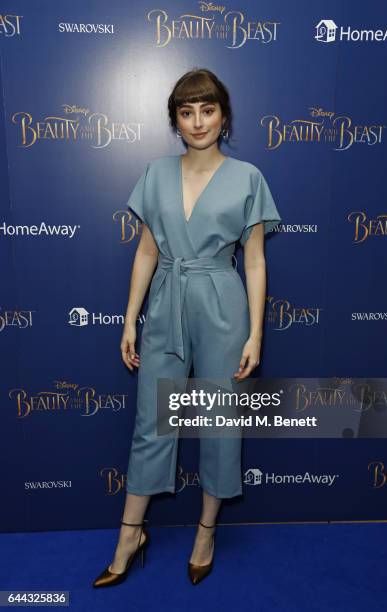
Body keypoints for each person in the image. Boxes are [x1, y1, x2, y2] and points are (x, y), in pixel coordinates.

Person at [93, 68, 282, 588]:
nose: (198, 122)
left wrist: (256, 335)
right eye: (186, 111)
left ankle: (206, 532)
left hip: (224, 303)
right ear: (175, 120)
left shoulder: (248, 178)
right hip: (167, 301)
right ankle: (130, 533)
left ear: (224, 116)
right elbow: (148, 251)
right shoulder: (154, 173)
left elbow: (258, 262)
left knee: (221, 424)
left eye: (208, 110)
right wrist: (130, 318)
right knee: (153, 420)